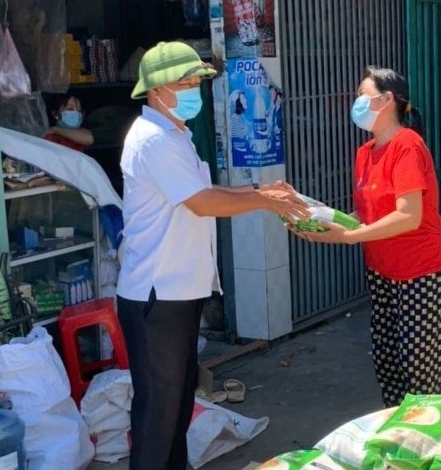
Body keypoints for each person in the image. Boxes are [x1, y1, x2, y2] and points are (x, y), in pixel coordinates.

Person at [116, 41, 309, 470]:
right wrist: (264, 200)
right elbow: (202, 203)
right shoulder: (153, 141)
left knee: (178, 406)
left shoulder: (175, 135)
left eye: (195, 82)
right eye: (183, 83)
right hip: (156, 295)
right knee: (158, 413)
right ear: (155, 90)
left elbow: (207, 192)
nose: (192, 91)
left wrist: (266, 191)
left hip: (178, 292)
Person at [294, 66, 441, 407]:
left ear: (387, 100)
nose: (357, 103)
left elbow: (409, 216)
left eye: (363, 96)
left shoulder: (408, 146)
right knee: (388, 362)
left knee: (418, 370)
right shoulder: (365, 153)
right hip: (381, 272)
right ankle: (397, 439)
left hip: (420, 273)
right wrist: (321, 225)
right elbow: (365, 216)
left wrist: (352, 237)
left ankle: (425, 445)